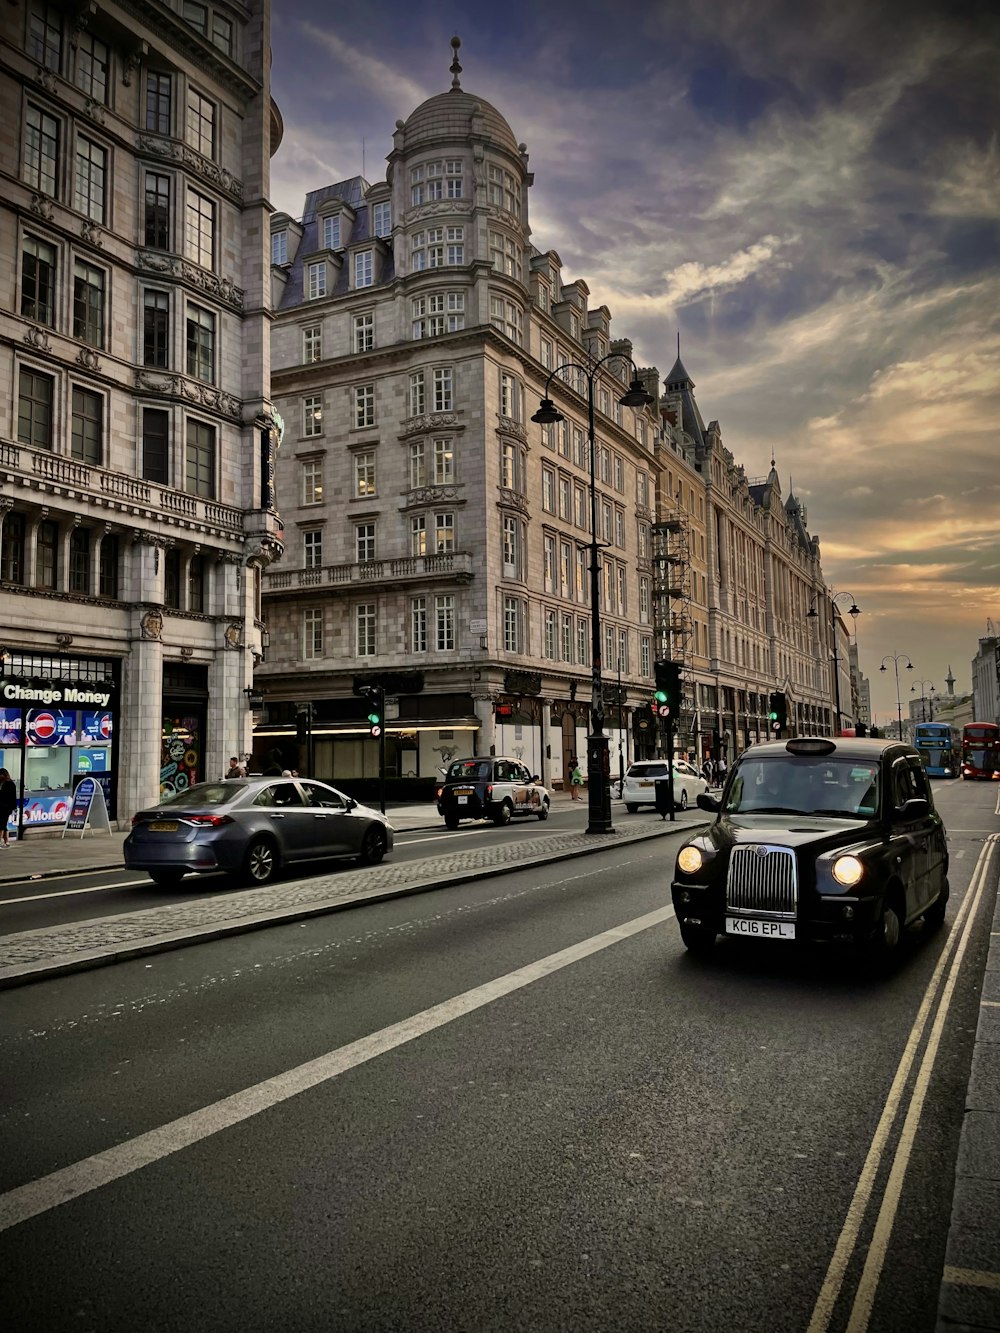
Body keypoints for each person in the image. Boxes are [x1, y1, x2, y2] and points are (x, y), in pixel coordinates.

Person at [0, 768, 16, 847]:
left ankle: (2, 840)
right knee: (3, 824)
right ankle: (6, 841)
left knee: (1, 824)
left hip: (4, 807)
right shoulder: (5, 783)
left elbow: (10, 796)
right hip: (5, 807)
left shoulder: (8, 784)